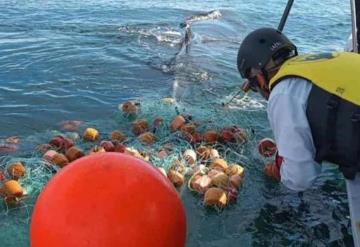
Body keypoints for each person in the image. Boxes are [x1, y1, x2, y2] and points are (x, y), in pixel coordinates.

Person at [237, 27, 360, 246]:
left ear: (260, 77)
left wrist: (277, 170)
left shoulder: (282, 92)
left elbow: (300, 178)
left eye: (255, 85)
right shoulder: (316, 64)